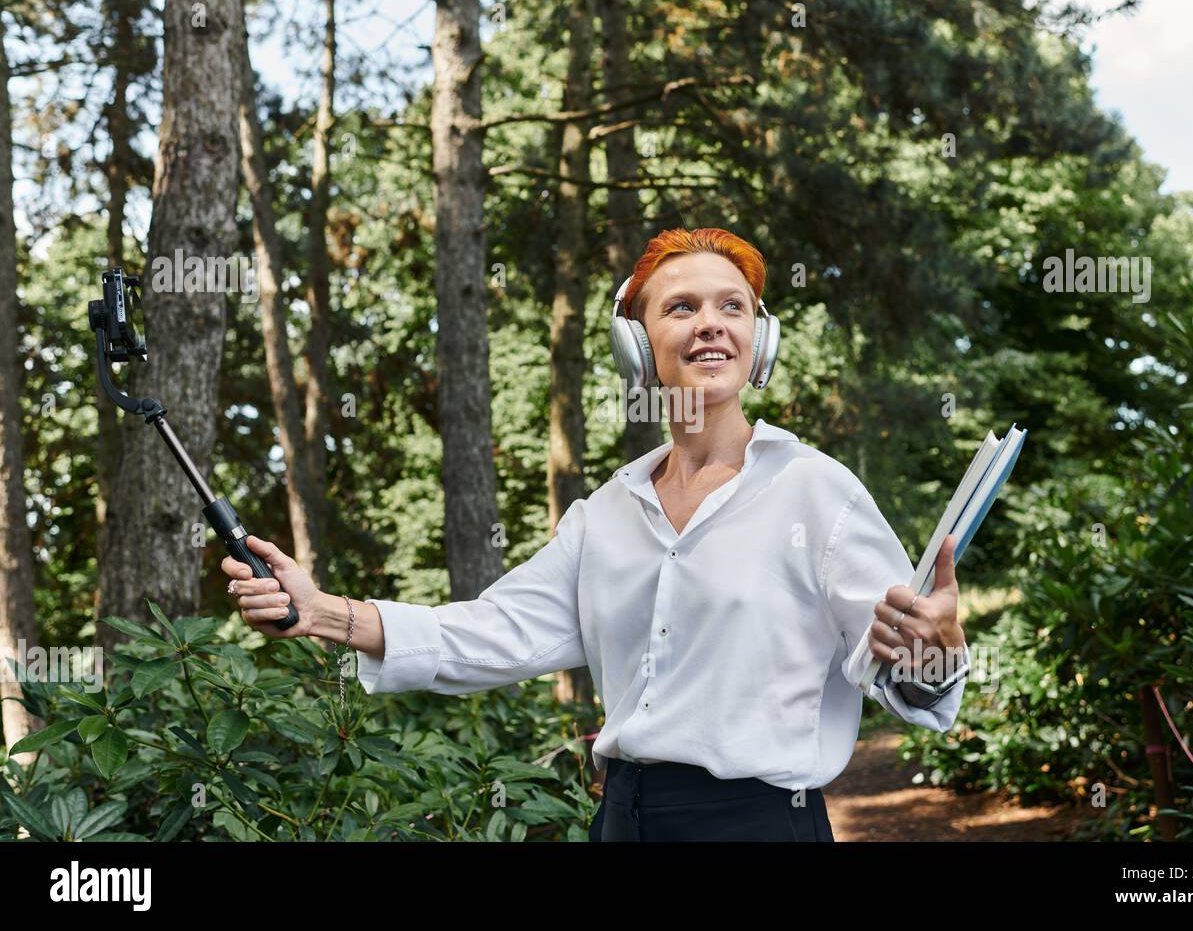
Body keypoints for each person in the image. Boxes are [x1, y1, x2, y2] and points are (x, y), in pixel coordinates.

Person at [223, 226, 970, 842]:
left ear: (759, 339)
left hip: (758, 824)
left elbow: (901, 671)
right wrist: (321, 612)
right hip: (622, 819)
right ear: (637, 347)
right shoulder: (606, 514)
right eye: (681, 307)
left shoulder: (817, 490)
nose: (711, 322)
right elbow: (494, 632)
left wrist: (935, 655)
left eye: (733, 306)